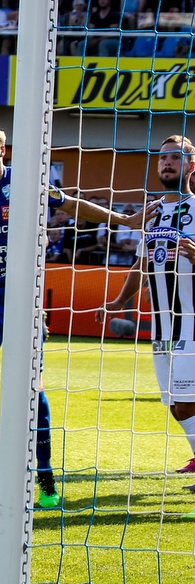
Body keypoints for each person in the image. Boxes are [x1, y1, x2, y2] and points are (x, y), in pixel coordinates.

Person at [0, 121, 145, 506]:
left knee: (30, 387)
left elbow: (71, 204)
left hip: (20, 296)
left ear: (2, 149)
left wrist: (123, 220)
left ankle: (46, 476)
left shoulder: (27, 182)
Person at [99, 137, 195, 476]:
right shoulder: (151, 213)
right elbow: (142, 265)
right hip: (162, 324)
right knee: (175, 403)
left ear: (191, 166)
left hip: (191, 322)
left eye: (176, 157)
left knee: (186, 402)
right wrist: (119, 300)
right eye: (162, 158)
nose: (167, 162)